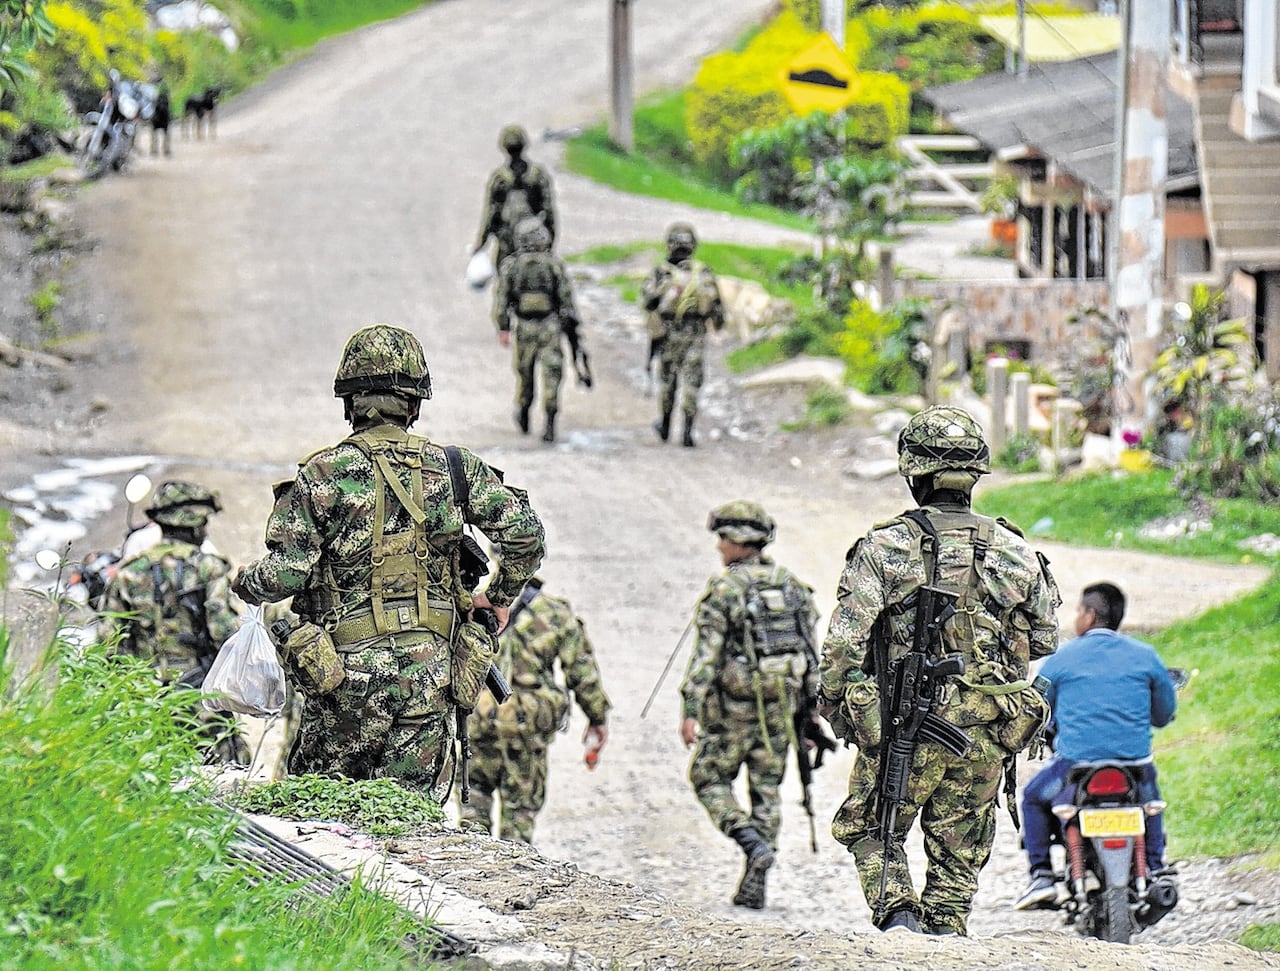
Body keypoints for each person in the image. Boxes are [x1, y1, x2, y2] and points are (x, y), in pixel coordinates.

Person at [231, 323, 546, 801]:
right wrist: (498, 599)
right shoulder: (456, 469)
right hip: (430, 678)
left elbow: (285, 575)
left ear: (349, 402)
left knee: (325, 817)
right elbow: (525, 537)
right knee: (408, 822)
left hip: (342, 680)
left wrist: (246, 583)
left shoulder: (324, 473)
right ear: (415, 403)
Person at [817, 405, 1061, 936]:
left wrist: (840, 708)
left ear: (913, 474)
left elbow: (842, 647)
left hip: (910, 719)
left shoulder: (884, 548)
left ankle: (899, 918)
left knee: (869, 827)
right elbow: (1043, 639)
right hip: (990, 728)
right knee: (961, 846)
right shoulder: (1015, 550)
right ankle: (946, 932)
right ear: (975, 475)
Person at [679, 501, 820, 910]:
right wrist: (808, 716)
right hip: (782, 709)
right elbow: (810, 655)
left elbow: (706, 658)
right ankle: (757, 871)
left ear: (740, 541)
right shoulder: (792, 586)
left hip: (730, 713)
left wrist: (689, 709)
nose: (719, 547)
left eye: (723, 538)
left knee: (707, 778)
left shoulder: (725, 591)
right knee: (767, 790)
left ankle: (748, 839)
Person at [1014, 581, 1178, 910]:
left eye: (1078, 611)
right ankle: (1157, 868)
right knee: (1150, 803)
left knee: (1032, 798)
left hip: (1075, 766)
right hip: (1134, 765)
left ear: (1090, 615)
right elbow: (1163, 714)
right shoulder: (1145, 656)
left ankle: (1042, 875)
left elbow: (1035, 708)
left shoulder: (1061, 659)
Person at [101, 479, 247, 764]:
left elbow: (109, 646)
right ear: (194, 526)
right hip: (200, 699)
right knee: (227, 775)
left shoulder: (128, 573)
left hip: (144, 700)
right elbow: (224, 632)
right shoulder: (208, 568)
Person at [459, 576, 611, 843]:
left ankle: (473, 873)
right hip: (526, 729)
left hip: (479, 720)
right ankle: (512, 876)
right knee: (519, 816)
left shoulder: (472, 606)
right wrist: (597, 718)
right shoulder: (554, 613)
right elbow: (582, 673)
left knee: (473, 808)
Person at [492, 217, 585, 443]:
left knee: (525, 373)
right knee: (551, 373)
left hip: (524, 326)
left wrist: (503, 327)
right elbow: (566, 299)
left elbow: (502, 299)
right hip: (549, 326)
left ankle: (524, 410)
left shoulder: (512, 266)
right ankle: (549, 422)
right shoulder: (554, 265)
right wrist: (571, 325)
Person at [641, 222, 724, 447]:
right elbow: (717, 307)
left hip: (668, 332)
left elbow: (648, 301)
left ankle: (666, 425)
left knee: (667, 381)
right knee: (692, 383)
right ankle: (687, 431)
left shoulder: (661, 272)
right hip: (695, 333)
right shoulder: (702, 272)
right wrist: (716, 324)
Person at [474, 125, 557, 272]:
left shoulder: (499, 179)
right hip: (535, 242)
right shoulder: (537, 175)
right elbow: (549, 211)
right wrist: (550, 241)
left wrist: (481, 243)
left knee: (505, 285)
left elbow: (491, 214)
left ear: (504, 148)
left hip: (507, 243)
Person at [149, 75, 171, 157]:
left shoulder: (154, 89)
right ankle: (165, 150)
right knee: (164, 133)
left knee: (155, 133)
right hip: (162, 114)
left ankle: (155, 150)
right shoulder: (164, 87)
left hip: (157, 114)